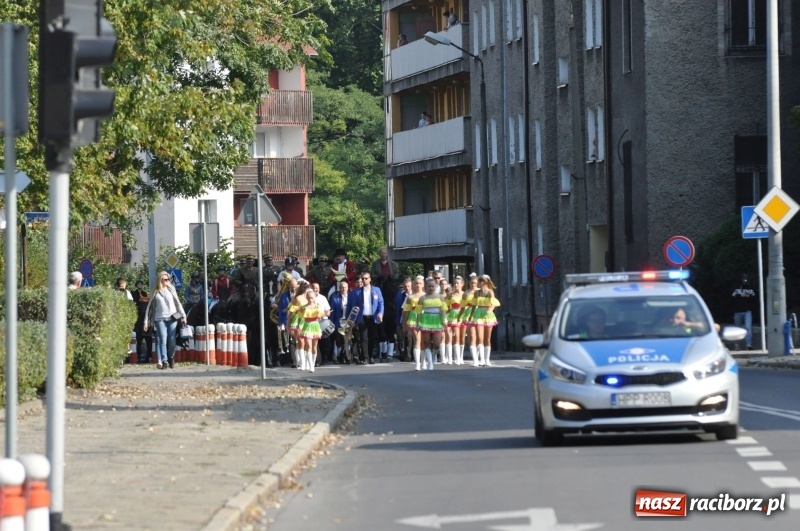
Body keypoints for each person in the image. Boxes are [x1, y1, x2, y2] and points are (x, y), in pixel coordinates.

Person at [143, 271, 187, 369]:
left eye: (168, 279)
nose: (168, 281)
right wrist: (145, 321)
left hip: (172, 318)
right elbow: (149, 307)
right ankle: (165, 361)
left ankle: (171, 356)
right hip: (159, 319)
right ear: (160, 280)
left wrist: (184, 315)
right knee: (163, 338)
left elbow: (178, 302)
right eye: (165, 279)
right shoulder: (155, 292)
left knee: (172, 341)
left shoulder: (171, 289)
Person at [349, 271, 385, 364]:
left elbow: (381, 303)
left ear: (370, 279)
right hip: (362, 317)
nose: (364, 280)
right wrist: (352, 320)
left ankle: (371, 356)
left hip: (373, 317)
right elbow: (354, 307)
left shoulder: (376, 290)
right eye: (363, 278)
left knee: (372, 337)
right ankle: (365, 357)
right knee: (363, 338)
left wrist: (380, 313)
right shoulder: (357, 292)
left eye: (366, 278)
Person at [371, 248, 400, 360]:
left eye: (384, 253)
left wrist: (392, 278)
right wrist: (378, 277)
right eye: (381, 253)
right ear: (379, 254)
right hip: (379, 283)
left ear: (387, 254)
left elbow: (397, 273)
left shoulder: (393, 264)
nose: (383, 254)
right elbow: (372, 273)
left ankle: (390, 352)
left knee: (395, 292)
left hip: (390, 282)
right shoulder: (375, 264)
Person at [466, 274, 500, 366]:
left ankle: (487, 359)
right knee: (480, 337)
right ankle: (480, 359)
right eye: (478, 281)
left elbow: (493, 303)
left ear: (484, 282)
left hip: (488, 315)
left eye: (480, 282)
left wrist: (490, 309)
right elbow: (473, 305)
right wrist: (471, 316)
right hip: (478, 314)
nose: (478, 283)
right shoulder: (477, 293)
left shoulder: (490, 292)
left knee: (487, 338)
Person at [416, 277, 448, 370]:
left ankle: (433, 356)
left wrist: (443, 320)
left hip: (437, 320)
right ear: (425, 287)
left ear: (435, 287)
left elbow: (443, 310)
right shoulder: (422, 298)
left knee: (437, 344)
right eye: (429, 286)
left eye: (432, 286)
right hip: (426, 320)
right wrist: (418, 323)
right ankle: (430, 363)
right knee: (426, 342)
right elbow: (418, 312)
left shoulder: (440, 297)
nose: (431, 288)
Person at [298, 289, 324, 373]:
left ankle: (312, 363)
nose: (310, 300)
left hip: (315, 326)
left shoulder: (318, 306)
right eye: (308, 298)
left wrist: (319, 314)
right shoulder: (304, 307)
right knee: (308, 345)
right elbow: (300, 317)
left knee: (314, 347)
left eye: (312, 298)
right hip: (307, 326)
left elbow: (321, 314)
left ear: (314, 298)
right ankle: (311, 366)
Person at [402, 276, 426, 369]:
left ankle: (423, 361)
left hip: (424, 318)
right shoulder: (410, 297)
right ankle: (417, 363)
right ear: (413, 285)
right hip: (413, 318)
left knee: (423, 341)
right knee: (417, 339)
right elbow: (405, 311)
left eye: (420, 283)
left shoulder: (426, 296)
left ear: (423, 285)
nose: (418, 285)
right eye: (416, 283)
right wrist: (404, 323)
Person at [329, 280, 352, 364]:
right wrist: (331, 323)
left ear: (348, 288)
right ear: (339, 288)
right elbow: (332, 312)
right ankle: (339, 356)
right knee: (339, 341)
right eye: (342, 287)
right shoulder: (335, 298)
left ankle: (347, 356)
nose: (343, 289)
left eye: (345, 287)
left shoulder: (351, 297)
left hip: (348, 322)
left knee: (347, 340)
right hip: (338, 322)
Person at [732, 274, 756, 349]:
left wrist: (746, 296)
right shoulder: (736, 288)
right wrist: (741, 295)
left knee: (748, 327)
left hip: (747, 311)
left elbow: (754, 297)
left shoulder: (750, 288)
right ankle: (737, 345)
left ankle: (748, 344)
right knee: (737, 328)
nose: (744, 281)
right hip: (737, 311)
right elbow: (732, 297)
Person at [445, 276, 466, 364]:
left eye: (458, 283)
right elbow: (446, 306)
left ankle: (461, 357)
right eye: (455, 283)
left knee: (462, 337)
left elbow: (467, 305)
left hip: (463, 315)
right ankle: (454, 357)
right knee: (455, 336)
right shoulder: (451, 295)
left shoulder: (465, 294)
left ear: (462, 284)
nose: (456, 285)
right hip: (453, 315)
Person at [131, 281, 153, 364]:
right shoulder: (134, 293)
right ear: (136, 285)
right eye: (138, 284)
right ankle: (139, 356)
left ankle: (149, 356)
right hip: (138, 317)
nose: (140, 285)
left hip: (146, 319)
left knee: (148, 340)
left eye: (141, 284)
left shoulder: (144, 293)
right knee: (139, 340)